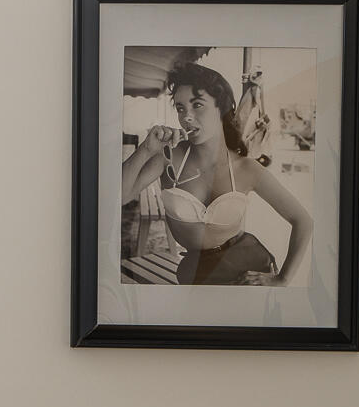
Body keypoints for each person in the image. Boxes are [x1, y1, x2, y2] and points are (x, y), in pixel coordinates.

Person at [119, 60, 315, 286]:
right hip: (195, 272)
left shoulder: (246, 168)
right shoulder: (169, 157)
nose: (186, 117)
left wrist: (282, 279)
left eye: (197, 105)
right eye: (181, 108)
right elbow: (120, 197)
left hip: (246, 268)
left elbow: (303, 221)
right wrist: (145, 149)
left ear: (222, 108)